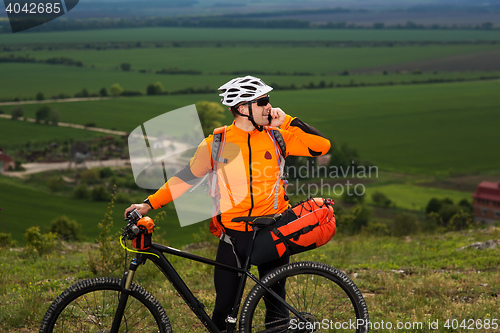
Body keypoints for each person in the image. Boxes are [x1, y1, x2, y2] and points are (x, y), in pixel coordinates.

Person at [124, 75, 330, 331]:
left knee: (276, 307)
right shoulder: (217, 144)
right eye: (262, 101)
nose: (269, 106)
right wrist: (149, 204)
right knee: (223, 309)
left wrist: (287, 120)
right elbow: (186, 178)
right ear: (243, 108)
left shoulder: (278, 137)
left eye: (268, 100)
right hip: (234, 236)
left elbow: (322, 146)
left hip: (272, 230)